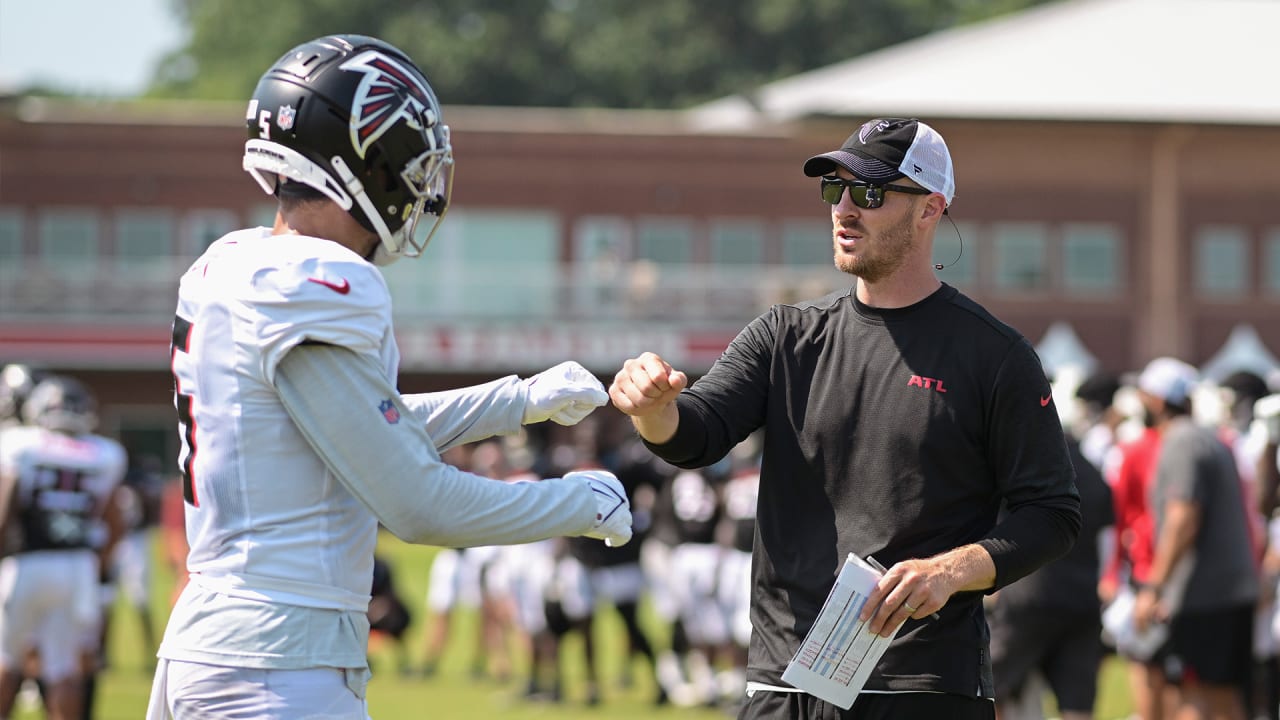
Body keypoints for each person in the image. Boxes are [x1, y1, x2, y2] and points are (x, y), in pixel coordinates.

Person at [145, 34, 633, 720]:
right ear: (359, 162)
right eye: (409, 159)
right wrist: (576, 503)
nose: (418, 183)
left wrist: (520, 401)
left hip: (222, 647)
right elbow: (416, 503)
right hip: (277, 665)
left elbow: (364, 425)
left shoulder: (236, 263)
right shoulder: (313, 283)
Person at [609, 117, 1081, 720]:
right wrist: (654, 410)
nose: (845, 210)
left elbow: (1053, 514)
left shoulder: (995, 356)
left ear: (930, 209)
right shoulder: (784, 336)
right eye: (836, 191)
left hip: (921, 685)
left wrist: (952, 571)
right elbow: (695, 434)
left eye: (872, 193)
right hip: (784, 684)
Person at [1132, 357, 1259, 720]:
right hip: (1230, 590)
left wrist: (1154, 587)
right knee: (1225, 697)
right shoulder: (1210, 438)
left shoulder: (1182, 441)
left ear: (1156, 400)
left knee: (1191, 694)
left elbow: (1182, 516)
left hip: (1202, 596)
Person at [0, 375, 127, 720]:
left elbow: (4, 514)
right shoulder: (104, 453)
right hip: (77, 566)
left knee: (8, 661)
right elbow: (115, 522)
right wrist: (95, 564)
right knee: (65, 670)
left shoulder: (19, 444)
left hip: (27, 563)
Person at [988, 430, 1114, 720]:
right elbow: (1106, 541)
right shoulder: (1094, 474)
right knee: (1077, 706)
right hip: (1082, 598)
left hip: (1029, 593)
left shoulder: (1027, 465)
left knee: (992, 689)